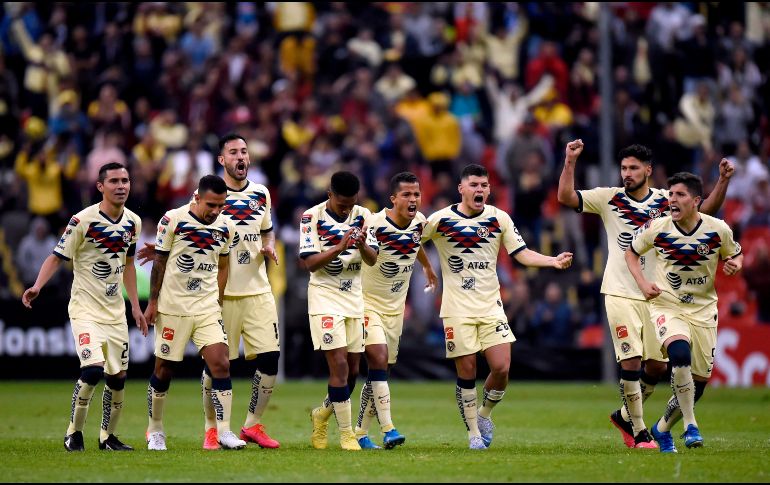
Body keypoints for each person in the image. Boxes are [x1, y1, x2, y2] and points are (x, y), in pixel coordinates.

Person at [557, 140, 733, 448]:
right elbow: (566, 197)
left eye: (633, 168)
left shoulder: (668, 200)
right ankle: (639, 431)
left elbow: (705, 212)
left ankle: (626, 414)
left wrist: (722, 182)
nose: (627, 174)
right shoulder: (608, 198)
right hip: (619, 291)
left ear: (648, 171)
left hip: (655, 295)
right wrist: (570, 161)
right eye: (624, 168)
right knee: (631, 360)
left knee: (656, 366)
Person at [137, 134, 281, 450]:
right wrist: (163, 250)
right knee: (192, 366)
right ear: (221, 159)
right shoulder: (199, 199)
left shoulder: (261, 194)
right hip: (214, 296)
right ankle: (207, 429)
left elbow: (266, 231)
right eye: (233, 152)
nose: (241, 157)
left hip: (254, 289)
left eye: (245, 151)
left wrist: (268, 246)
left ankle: (249, 426)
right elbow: (185, 231)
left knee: (268, 358)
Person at [421, 164, 573, 449]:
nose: (480, 190)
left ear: (489, 189)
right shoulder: (440, 220)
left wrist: (551, 260)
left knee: (502, 368)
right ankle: (473, 436)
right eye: (474, 185)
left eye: (484, 185)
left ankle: (483, 415)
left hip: (491, 306)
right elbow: (412, 239)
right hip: (456, 309)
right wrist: (428, 267)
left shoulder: (499, 218)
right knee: (466, 372)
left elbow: (522, 253)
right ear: (461, 189)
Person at [21, 162, 147, 452]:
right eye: (114, 181)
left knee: (118, 378)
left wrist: (136, 308)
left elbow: (128, 265)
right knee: (92, 371)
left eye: (125, 180)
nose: (121, 186)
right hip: (85, 309)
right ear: (100, 186)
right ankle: (73, 433)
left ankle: (107, 437)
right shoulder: (82, 221)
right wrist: (37, 286)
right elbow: (56, 256)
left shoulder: (133, 222)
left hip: (115, 312)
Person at [626, 172, 743, 453]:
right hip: (667, 305)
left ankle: (662, 429)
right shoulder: (657, 228)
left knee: (699, 382)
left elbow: (735, 253)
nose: (672, 200)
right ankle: (691, 425)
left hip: (703, 311)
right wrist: (643, 283)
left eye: (679, 195)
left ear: (696, 201)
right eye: (670, 195)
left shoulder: (718, 229)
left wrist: (735, 264)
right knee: (679, 355)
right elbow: (631, 252)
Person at [143, 174, 246, 451]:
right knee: (164, 369)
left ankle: (223, 431)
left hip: (206, 307)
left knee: (221, 363)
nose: (215, 211)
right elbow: (160, 262)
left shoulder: (226, 227)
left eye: (221, 206)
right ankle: (154, 430)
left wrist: (219, 300)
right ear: (197, 197)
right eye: (211, 205)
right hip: (173, 307)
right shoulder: (173, 219)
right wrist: (152, 304)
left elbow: (224, 266)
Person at [354, 172, 439, 449]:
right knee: (378, 360)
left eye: (416, 194)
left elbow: (417, 242)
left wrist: (426, 265)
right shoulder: (376, 224)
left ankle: (359, 432)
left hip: (395, 309)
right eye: (407, 194)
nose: (413, 199)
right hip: (368, 304)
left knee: (382, 371)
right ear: (393, 199)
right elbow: (370, 256)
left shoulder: (420, 222)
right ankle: (389, 429)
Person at [299, 171, 378, 451]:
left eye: (350, 204)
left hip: (353, 299)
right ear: (329, 194)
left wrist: (362, 244)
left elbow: (373, 259)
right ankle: (346, 435)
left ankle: (321, 414)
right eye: (341, 204)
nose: (346, 210)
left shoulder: (365, 215)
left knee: (354, 370)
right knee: (340, 366)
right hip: (324, 297)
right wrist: (340, 246)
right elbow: (309, 263)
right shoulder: (312, 217)